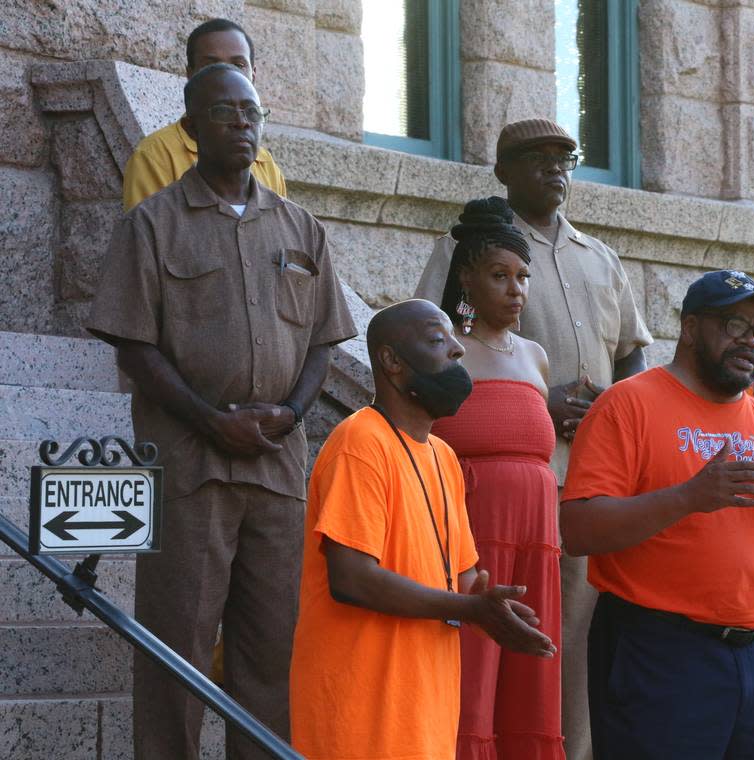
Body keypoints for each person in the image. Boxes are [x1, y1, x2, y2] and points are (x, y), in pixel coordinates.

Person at [85, 63, 356, 759]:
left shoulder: (300, 227)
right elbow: (134, 347)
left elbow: (324, 341)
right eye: (226, 112)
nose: (243, 124)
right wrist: (212, 420)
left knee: (269, 654)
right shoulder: (153, 224)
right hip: (190, 467)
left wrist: (293, 415)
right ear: (191, 125)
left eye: (253, 113)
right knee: (175, 647)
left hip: (275, 469)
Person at [415, 118, 652, 760]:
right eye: (537, 157)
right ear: (503, 171)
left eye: (565, 157)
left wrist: (614, 404)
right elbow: (425, 352)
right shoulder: (470, 247)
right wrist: (528, 403)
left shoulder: (600, 258)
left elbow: (633, 353)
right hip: (495, 485)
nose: (555, 168)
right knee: (484, 633)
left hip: (590, 484)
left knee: (564, 640)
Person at [560, 270, 754, 760]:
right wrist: (688, 497)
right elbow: (578, 530)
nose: (750, 342)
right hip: (660, 653)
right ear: (690, 328)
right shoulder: (628, 405)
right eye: (734, 325)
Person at [289, 299, 557, 760]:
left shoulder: (443, 456)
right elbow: (352, 577)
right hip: (359, 719)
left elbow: (462, 576)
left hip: (423, 718)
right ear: (391, 361)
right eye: (438, 340)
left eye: (455, 340)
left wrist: (498, 610)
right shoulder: (360, 442)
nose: (457, 351)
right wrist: (471, 609)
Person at [429, 197, 564, 760]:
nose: (516, 290)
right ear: (467, 278)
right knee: (473, 673)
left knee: (529, 674)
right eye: (500, 275)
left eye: (524, 277)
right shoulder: (442, 355)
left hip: (538, 541)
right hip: (472, 539)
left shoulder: (535, 356)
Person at [122, 17, 286, 211]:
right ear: (190, 74)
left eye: (239, 65)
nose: (226, 73)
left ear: (254, 75)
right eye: (211, 64)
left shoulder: (266, 164)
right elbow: (148, 233)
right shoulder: (155, 156)